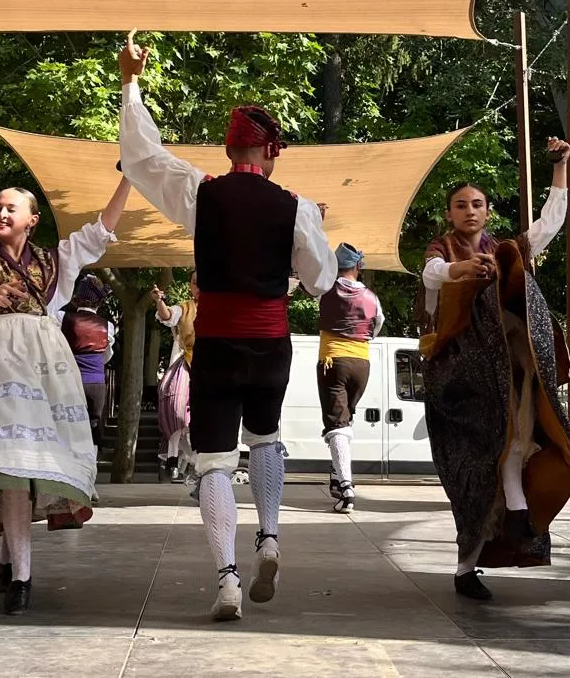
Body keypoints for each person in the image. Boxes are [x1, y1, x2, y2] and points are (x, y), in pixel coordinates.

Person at [119, 33, 335, 621]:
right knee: (266, 437)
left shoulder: (201, 192)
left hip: (213, 342)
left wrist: (132, 82)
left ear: (229, 147)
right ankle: (269, 537)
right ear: (272, 153)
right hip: (270, 344)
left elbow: (142, 158)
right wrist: (301, 243)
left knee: (212, 460)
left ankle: (227, 580)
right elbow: (319, 281)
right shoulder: (296, 207)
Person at [0, 175, 132, 616]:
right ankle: (21, 576)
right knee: (11, 465)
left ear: (32, 219)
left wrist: (127, 180)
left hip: (45, 372)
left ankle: (13, 562)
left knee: (25, 467)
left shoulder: (55, 260)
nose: (1, 213)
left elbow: (100, 232)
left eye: (10, 208)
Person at [421, 139, 570, 602]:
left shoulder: (506, 250)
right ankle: (470, 559)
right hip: (459, 382)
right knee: (472, 471)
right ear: (450, 215)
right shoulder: (442, 249)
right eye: (460, 205)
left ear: (487, 212)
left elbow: (550, 224)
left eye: (477, 204)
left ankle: (513, 514)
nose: (469, 211)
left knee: (511, 441)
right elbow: (434, 274)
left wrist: (560, 167)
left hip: (505, 375)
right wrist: (463, 270)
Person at [317, 243, 384, 514]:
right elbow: (378, 322)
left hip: (333, 362)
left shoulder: (326, 290)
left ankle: (346, 489)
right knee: (346, 421)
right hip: (362, 363)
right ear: (358, 266)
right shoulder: (371, 296)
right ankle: (336, 476)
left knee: (337, 424)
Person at [61, 274, 117, 449]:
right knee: (93, 430)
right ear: (99, 303)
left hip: (71, 381)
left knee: (69, 428)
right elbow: (107, 356)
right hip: (96, 384)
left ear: (76, 299)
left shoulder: (62, 318)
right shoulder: (107, 326)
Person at [153, 277, 197, 482]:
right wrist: (159, 302)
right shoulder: (186, 308)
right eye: (195, 282)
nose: (198, 286)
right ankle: (173, 455)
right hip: (189, 363)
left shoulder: (222, 304)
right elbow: (168, 315)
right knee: (175, 405)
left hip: (216, 365)